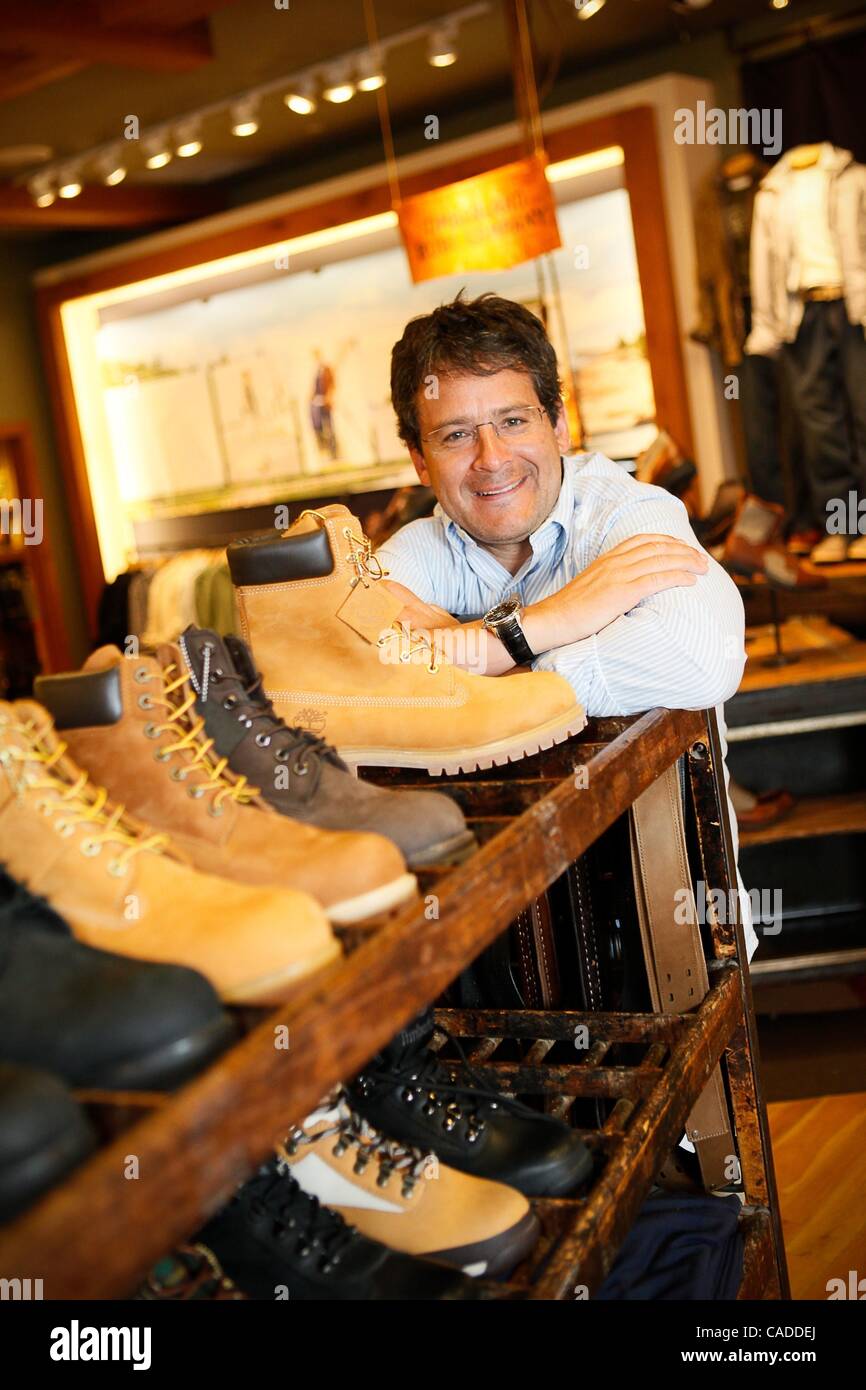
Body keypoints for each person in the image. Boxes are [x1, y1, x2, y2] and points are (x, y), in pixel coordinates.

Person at [377, 291, 758, 956]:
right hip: (500, 945)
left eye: (513, 420)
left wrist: (492, 655)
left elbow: (703, 653)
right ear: (419, 458)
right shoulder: (417, 551)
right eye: (456, 434)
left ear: (558, 423)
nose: (491, 458)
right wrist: (550, 623)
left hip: (668, 926)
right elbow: (345, 663)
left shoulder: (630, 514)